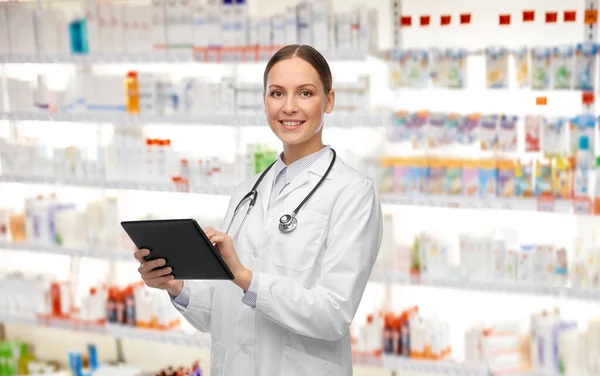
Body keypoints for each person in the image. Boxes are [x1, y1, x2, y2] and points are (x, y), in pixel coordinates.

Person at [134, 44, 383, 376]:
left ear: (329, 100)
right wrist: (174, 284)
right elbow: (223, 313)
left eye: (305, 93)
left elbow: (333, 313)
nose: (289, 107)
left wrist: (246, 278)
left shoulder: (352, 192)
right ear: (265, 100)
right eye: (277, 93)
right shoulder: (246, 193)